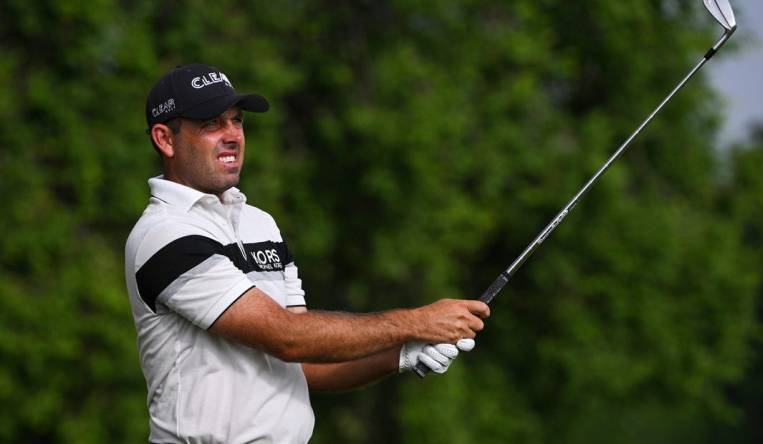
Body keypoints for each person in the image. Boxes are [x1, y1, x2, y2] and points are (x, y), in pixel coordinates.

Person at [124, 63, 490, 444]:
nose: (232, 135)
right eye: (212, 124)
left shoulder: (260, 223)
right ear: (165, 139)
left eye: (237, 121)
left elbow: (302, 362)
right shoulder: (164, 234)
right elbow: (288, 337)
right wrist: (417, 322)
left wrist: (402, 354)